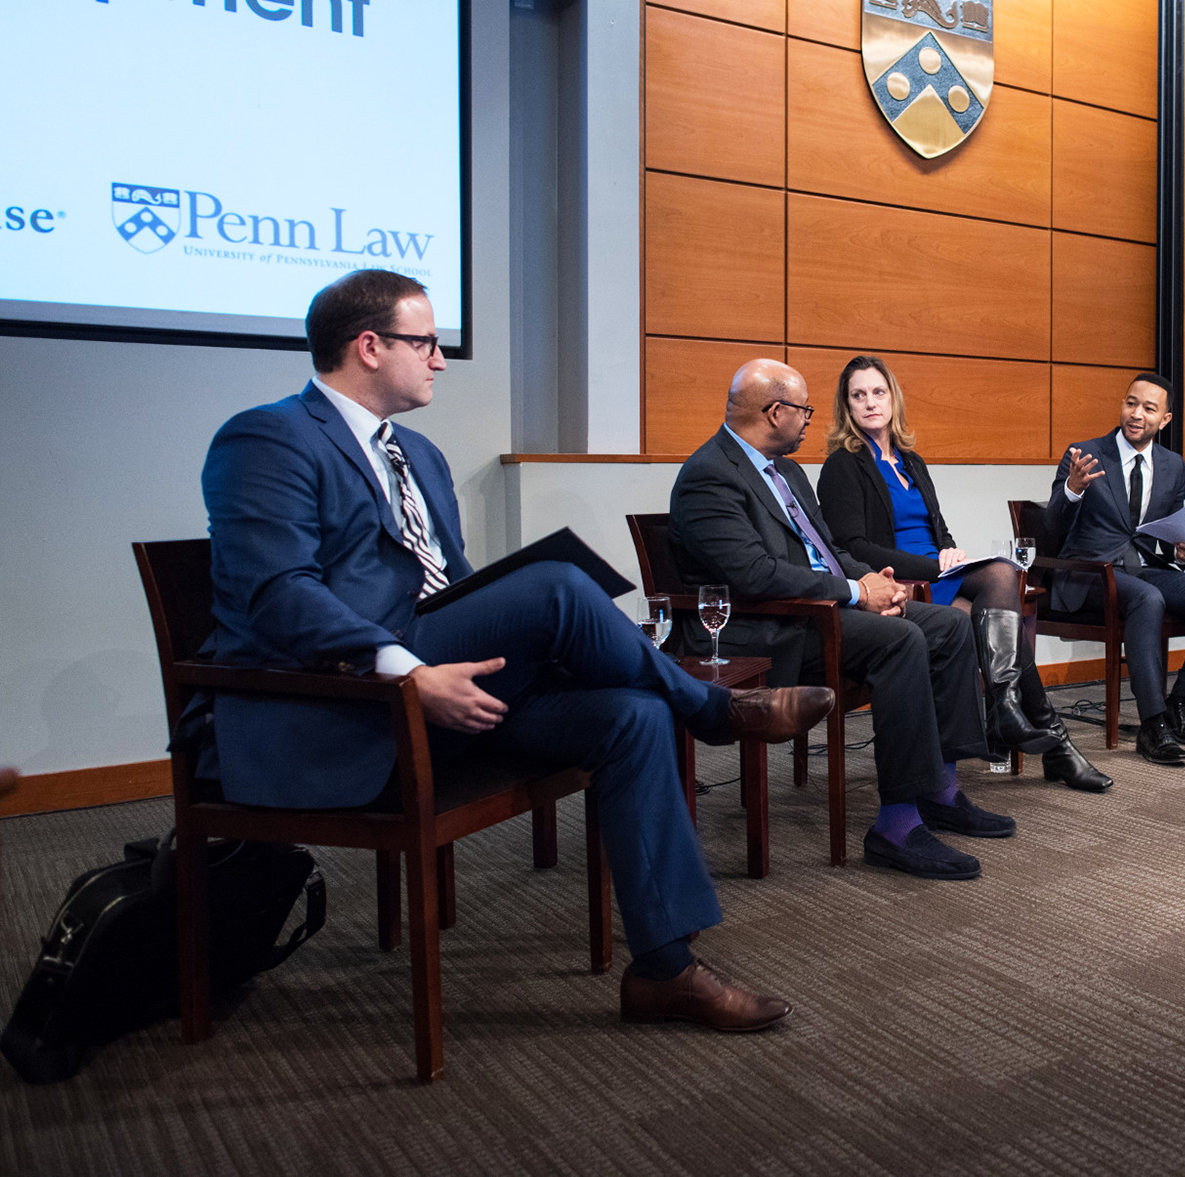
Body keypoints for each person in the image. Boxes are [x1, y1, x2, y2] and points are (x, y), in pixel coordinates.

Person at [198, 270, 830, 1033]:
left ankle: (665, 969)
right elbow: (278, 595)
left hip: (447, 691)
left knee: (629, 714)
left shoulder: (420, 456)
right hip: (345, 709)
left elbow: (453, 593)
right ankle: (713, 708)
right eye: (425, 342)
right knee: (556, 584)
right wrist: (409, 670)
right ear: (369, 346)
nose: (438, 359)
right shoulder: (267, 437)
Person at [669, 359, 1018, 881]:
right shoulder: (709, 477)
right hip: (764, 630)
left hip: (815, 612)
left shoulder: (785, 470)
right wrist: (856, 591)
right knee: (900, 641)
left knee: (946, 626)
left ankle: (940, 791)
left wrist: (880, 585)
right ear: (773, 411)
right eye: (803, 409)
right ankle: (896, 827)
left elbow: (827, 551)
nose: (810, 419)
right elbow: (755, 575)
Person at [815, 355, 1111, 792]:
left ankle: (1014, 715)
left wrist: (950, 550)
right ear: (847, 407)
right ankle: (1047, 740)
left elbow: (938, 527)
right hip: (900, 579)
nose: (870, 403)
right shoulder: (843, 465)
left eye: (878, 392)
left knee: (1000, 580)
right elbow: (854, 549)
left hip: (938, 569)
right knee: (995, 603)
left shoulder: (911, 461)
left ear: (892, 397)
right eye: (858, 395)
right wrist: (937, 564)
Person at [1044, 372, 1185, 766]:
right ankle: (1152, 726)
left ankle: (1180, 702)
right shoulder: (1084, 453)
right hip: (1091, 573)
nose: (1136, 414)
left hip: (1146, 569)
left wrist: (1183, 549)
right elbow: (1052, 526)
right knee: (1148, 599)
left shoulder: (1172, 465)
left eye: (1148, 408)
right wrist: (1073, 490)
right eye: (1130, 403)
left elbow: (1166, 532)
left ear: (1164, 419)